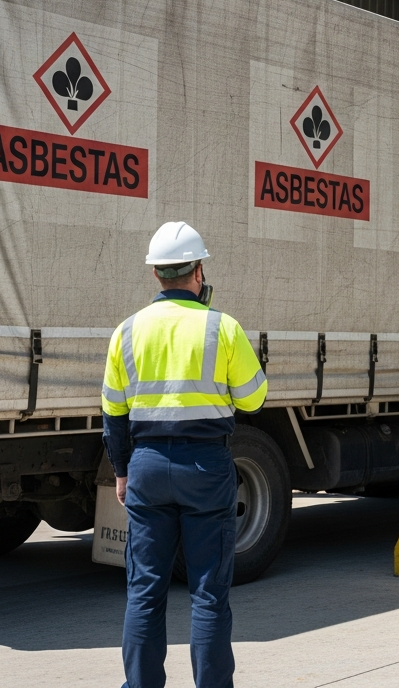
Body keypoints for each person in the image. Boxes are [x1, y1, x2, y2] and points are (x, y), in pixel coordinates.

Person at [102, 221, 268, 687]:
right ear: (198, 271)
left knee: (145, 593)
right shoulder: (223, 327)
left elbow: (113, 414)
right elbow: (255, 399)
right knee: (209, 595)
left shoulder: (127, 331)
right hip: (206, 467)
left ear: (156, 274)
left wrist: (121, 472)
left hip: (147, 467)